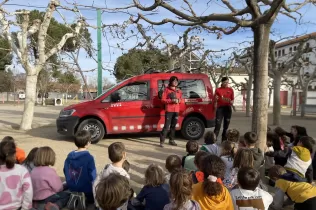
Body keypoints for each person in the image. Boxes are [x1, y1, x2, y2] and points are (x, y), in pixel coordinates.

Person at [63, 130, 97, 203]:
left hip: (71, 188)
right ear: (88, 143)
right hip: (86, 191)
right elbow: (93, 176)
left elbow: (65, 171)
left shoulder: (69, 157)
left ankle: (73, 196)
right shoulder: (89, 158)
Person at [93, 142, 130, 207]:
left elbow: (95, 183)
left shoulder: (106, 168)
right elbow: (125, 195)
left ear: (109, 156)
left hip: (104, 202)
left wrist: (97, 203)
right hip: (117, 205)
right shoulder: (125, 175)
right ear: (124, 155)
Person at [0, 139, 33, 210]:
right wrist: (25, 208)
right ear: (15, 154)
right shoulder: (22, 170)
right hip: (17, 207)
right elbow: (28, 192)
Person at [160, 76, 183, 147]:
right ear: (171, 82)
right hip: (169, 110)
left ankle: (171, 140)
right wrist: (171, 101)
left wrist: (179, 101)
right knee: (166, 126)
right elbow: (163, 100)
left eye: (177, 81)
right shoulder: (166, 90)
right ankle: (162, 141)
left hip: (176, 111)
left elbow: (181, 99)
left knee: (173, 126)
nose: (175, 82)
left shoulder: (179, 90)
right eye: (174, 81)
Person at [213, 77, 234, 141]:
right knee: (218, 125)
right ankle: (213, 140)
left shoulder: (230, 90)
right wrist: (216, 100)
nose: (226, 83)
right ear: (222, 82)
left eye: (227, 82)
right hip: (220, 109)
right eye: (225, 82)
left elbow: (232, 100)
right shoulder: (218, 90)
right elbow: (215, 100)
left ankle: (224, 140)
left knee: (226, 126)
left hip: (228, 108)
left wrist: (231, 101)